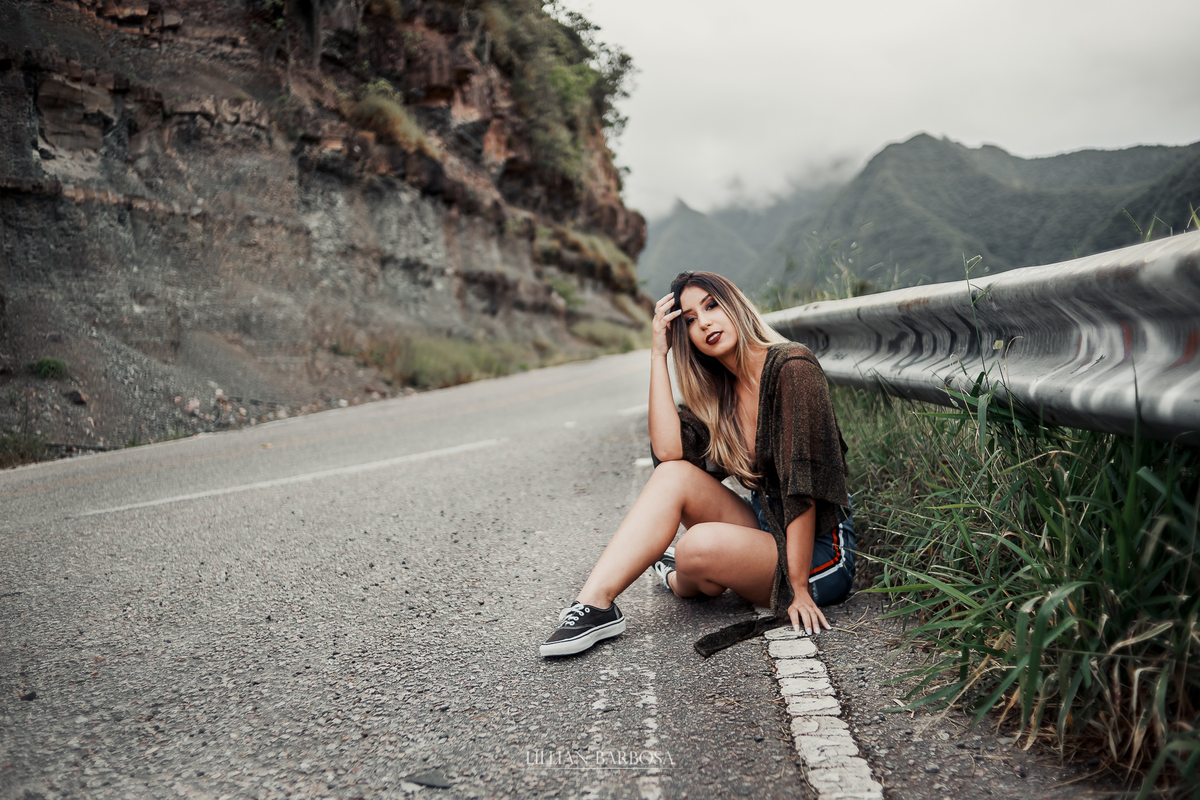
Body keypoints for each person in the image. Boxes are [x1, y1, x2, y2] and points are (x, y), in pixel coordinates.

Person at [540, 271, 855, 657]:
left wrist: (800, 589)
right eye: (689, 320)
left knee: (696, 549)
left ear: (735, 305)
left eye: (711, 305)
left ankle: (678, 574)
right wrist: (658, 354)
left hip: (820, 556)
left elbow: (800, 488)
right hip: (766, 528)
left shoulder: (792, 367)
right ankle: (595, 604)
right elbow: (670, 455)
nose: (704, 322)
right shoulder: (719, 393)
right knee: (674, 477)